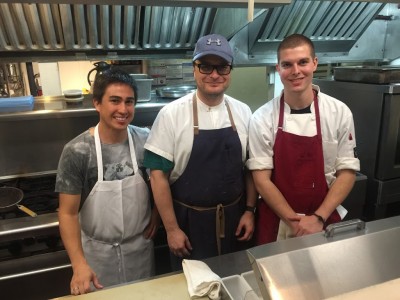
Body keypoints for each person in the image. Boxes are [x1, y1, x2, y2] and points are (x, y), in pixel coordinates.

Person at [143, 33, 258, 269]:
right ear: (194, 69)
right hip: (188, 226)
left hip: (235, 221)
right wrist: (172, 229)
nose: (214, 75)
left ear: (229, 71)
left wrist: (249, 210)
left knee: (236, 282)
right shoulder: (171, 114)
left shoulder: (244, 111)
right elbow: (157, 176)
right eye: (205, 66)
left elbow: (250, 168)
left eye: (222, 67)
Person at [247, 33, 360, 245]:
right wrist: (295, 223)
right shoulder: (262, 118)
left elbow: (347, 171)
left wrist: (318, 218)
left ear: (315, 63)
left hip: (323, 219)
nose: (296, 71)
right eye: (287, 64)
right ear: (278, 68)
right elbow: (262, 180)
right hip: (278, 222)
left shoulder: (339, 112)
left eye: (303, 62)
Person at [56, 68, 159, 295]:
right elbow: (67, 213)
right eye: (115, 101)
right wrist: (79, 264)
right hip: (95, 257)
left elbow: (161, 182)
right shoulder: (78, 151)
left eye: (129, 102)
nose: (123, 109)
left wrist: (157, 213)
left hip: (139, 250)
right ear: (97, 103)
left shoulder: (145, 141)